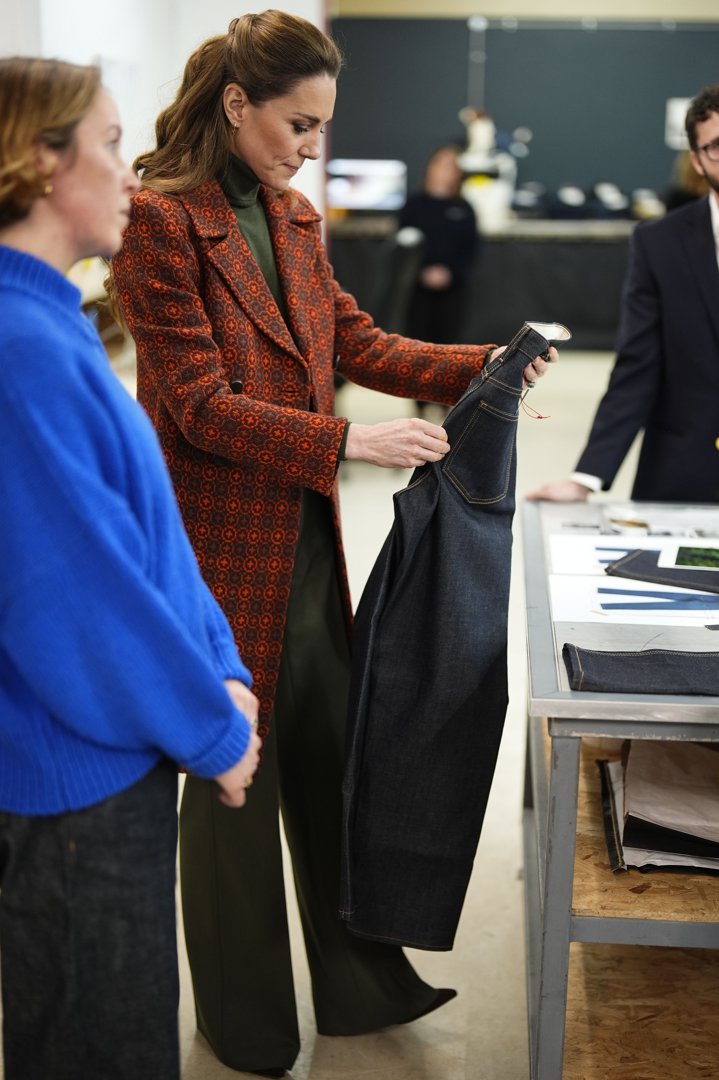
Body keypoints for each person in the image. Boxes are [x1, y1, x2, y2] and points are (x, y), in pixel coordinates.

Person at [110, 11, 555, 1076]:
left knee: (327, 758)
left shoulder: (293, 217)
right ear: (236, 106)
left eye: (320, 127)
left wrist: (481, 362)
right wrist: (352, 440)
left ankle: (358, 984)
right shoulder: (159, 223)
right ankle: (244, 1019)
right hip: (214, 547)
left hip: (304, 542)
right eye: (297, 125)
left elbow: (353, 340)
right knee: (235, 780)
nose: (311, 148)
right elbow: (198, 406)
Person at [0, 57, 261, 1080]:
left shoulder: (49, 321)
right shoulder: (18, 349)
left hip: (111, 768)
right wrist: (209, 725)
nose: (131, 172)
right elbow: (75, 594)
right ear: (38, 163)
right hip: (76, 793)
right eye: (109, 145)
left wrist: (219, 664)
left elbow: (148, 537)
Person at [528, 82, 719, 506]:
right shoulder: (660, 243)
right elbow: (638, 365)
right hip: (685, 472)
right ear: (697, 159)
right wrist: (586, 477)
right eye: (717, 147)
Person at [398, 143, 480, 348]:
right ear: (430, 167)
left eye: (452, 166)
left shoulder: (464, 208)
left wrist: (450, 273)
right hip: (417, 288)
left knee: (449, 344)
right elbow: (404, 244)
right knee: (417, 343)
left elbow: (470, 248)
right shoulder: (413, 206)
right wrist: (422, 271)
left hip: (452, 289)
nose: (445, 171)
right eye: (441, 164)